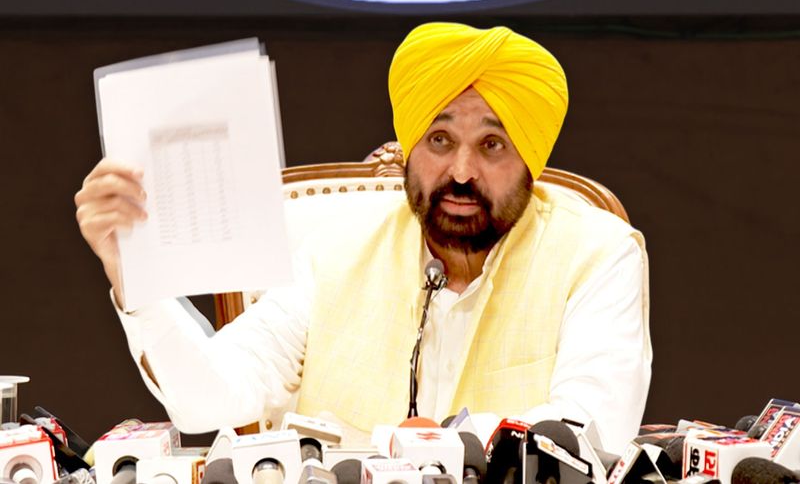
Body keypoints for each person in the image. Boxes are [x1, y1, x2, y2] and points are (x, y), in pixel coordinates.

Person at [74, 23, 651, 452]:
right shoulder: (334, 251)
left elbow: (590, 430)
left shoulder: (597, 255)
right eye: (440, 140)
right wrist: (135, 278)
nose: (461, 172)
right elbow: (209, 398)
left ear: (531, 161)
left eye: (492, 145)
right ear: (409, 148)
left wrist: (440, 442)